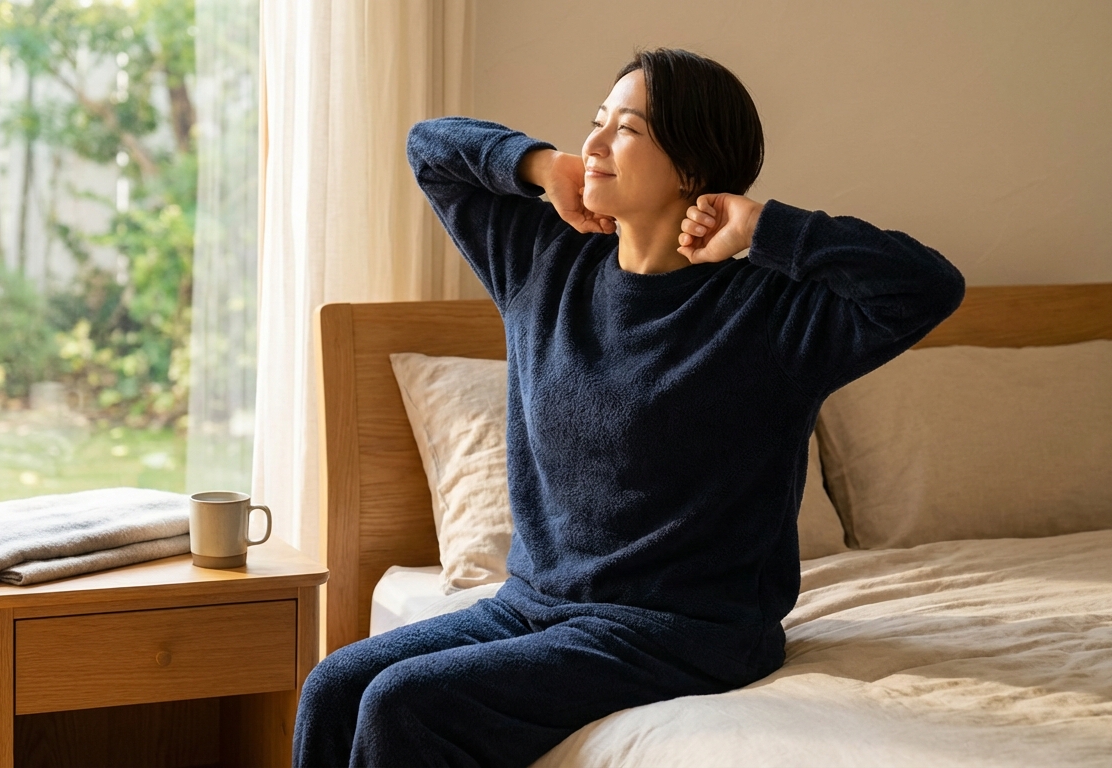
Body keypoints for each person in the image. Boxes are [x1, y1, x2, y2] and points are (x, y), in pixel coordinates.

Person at [293, 47, 965, 768]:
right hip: (532, 605)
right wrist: (538, 165)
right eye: (597, 120)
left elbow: (928, 286)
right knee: (334, 684)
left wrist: (766, 227)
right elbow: (430, 146)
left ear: (694, 168)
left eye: (628, 129)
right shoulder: (543, 263)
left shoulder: (768, 315)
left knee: (407, 702)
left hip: (686, 628)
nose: (595, 143)